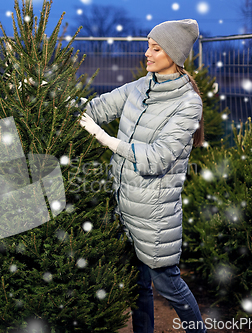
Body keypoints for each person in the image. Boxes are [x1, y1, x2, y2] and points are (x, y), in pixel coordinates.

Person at [79, 19, 206, 333]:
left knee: (169, 286)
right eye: (148, 45)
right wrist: (49, 100)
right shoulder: (139, 87)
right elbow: (96, 109)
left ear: (173, 55)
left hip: (154, 217)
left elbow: (157, 158)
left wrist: (108, 140)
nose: (147, 53)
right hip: (124, 207)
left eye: (156, 48)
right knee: (138, 287)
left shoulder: (188, 105)